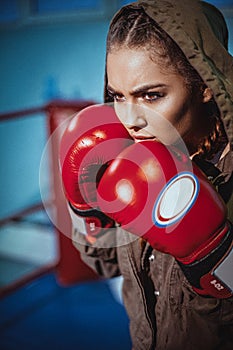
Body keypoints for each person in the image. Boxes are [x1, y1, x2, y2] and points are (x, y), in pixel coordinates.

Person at [60, 1, 233, 349]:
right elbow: (106, 266)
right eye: (117, 96)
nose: (131, 120)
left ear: (204, 84)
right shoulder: (127, 157)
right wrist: (86, 210)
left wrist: (212, 255)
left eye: (151, 96)